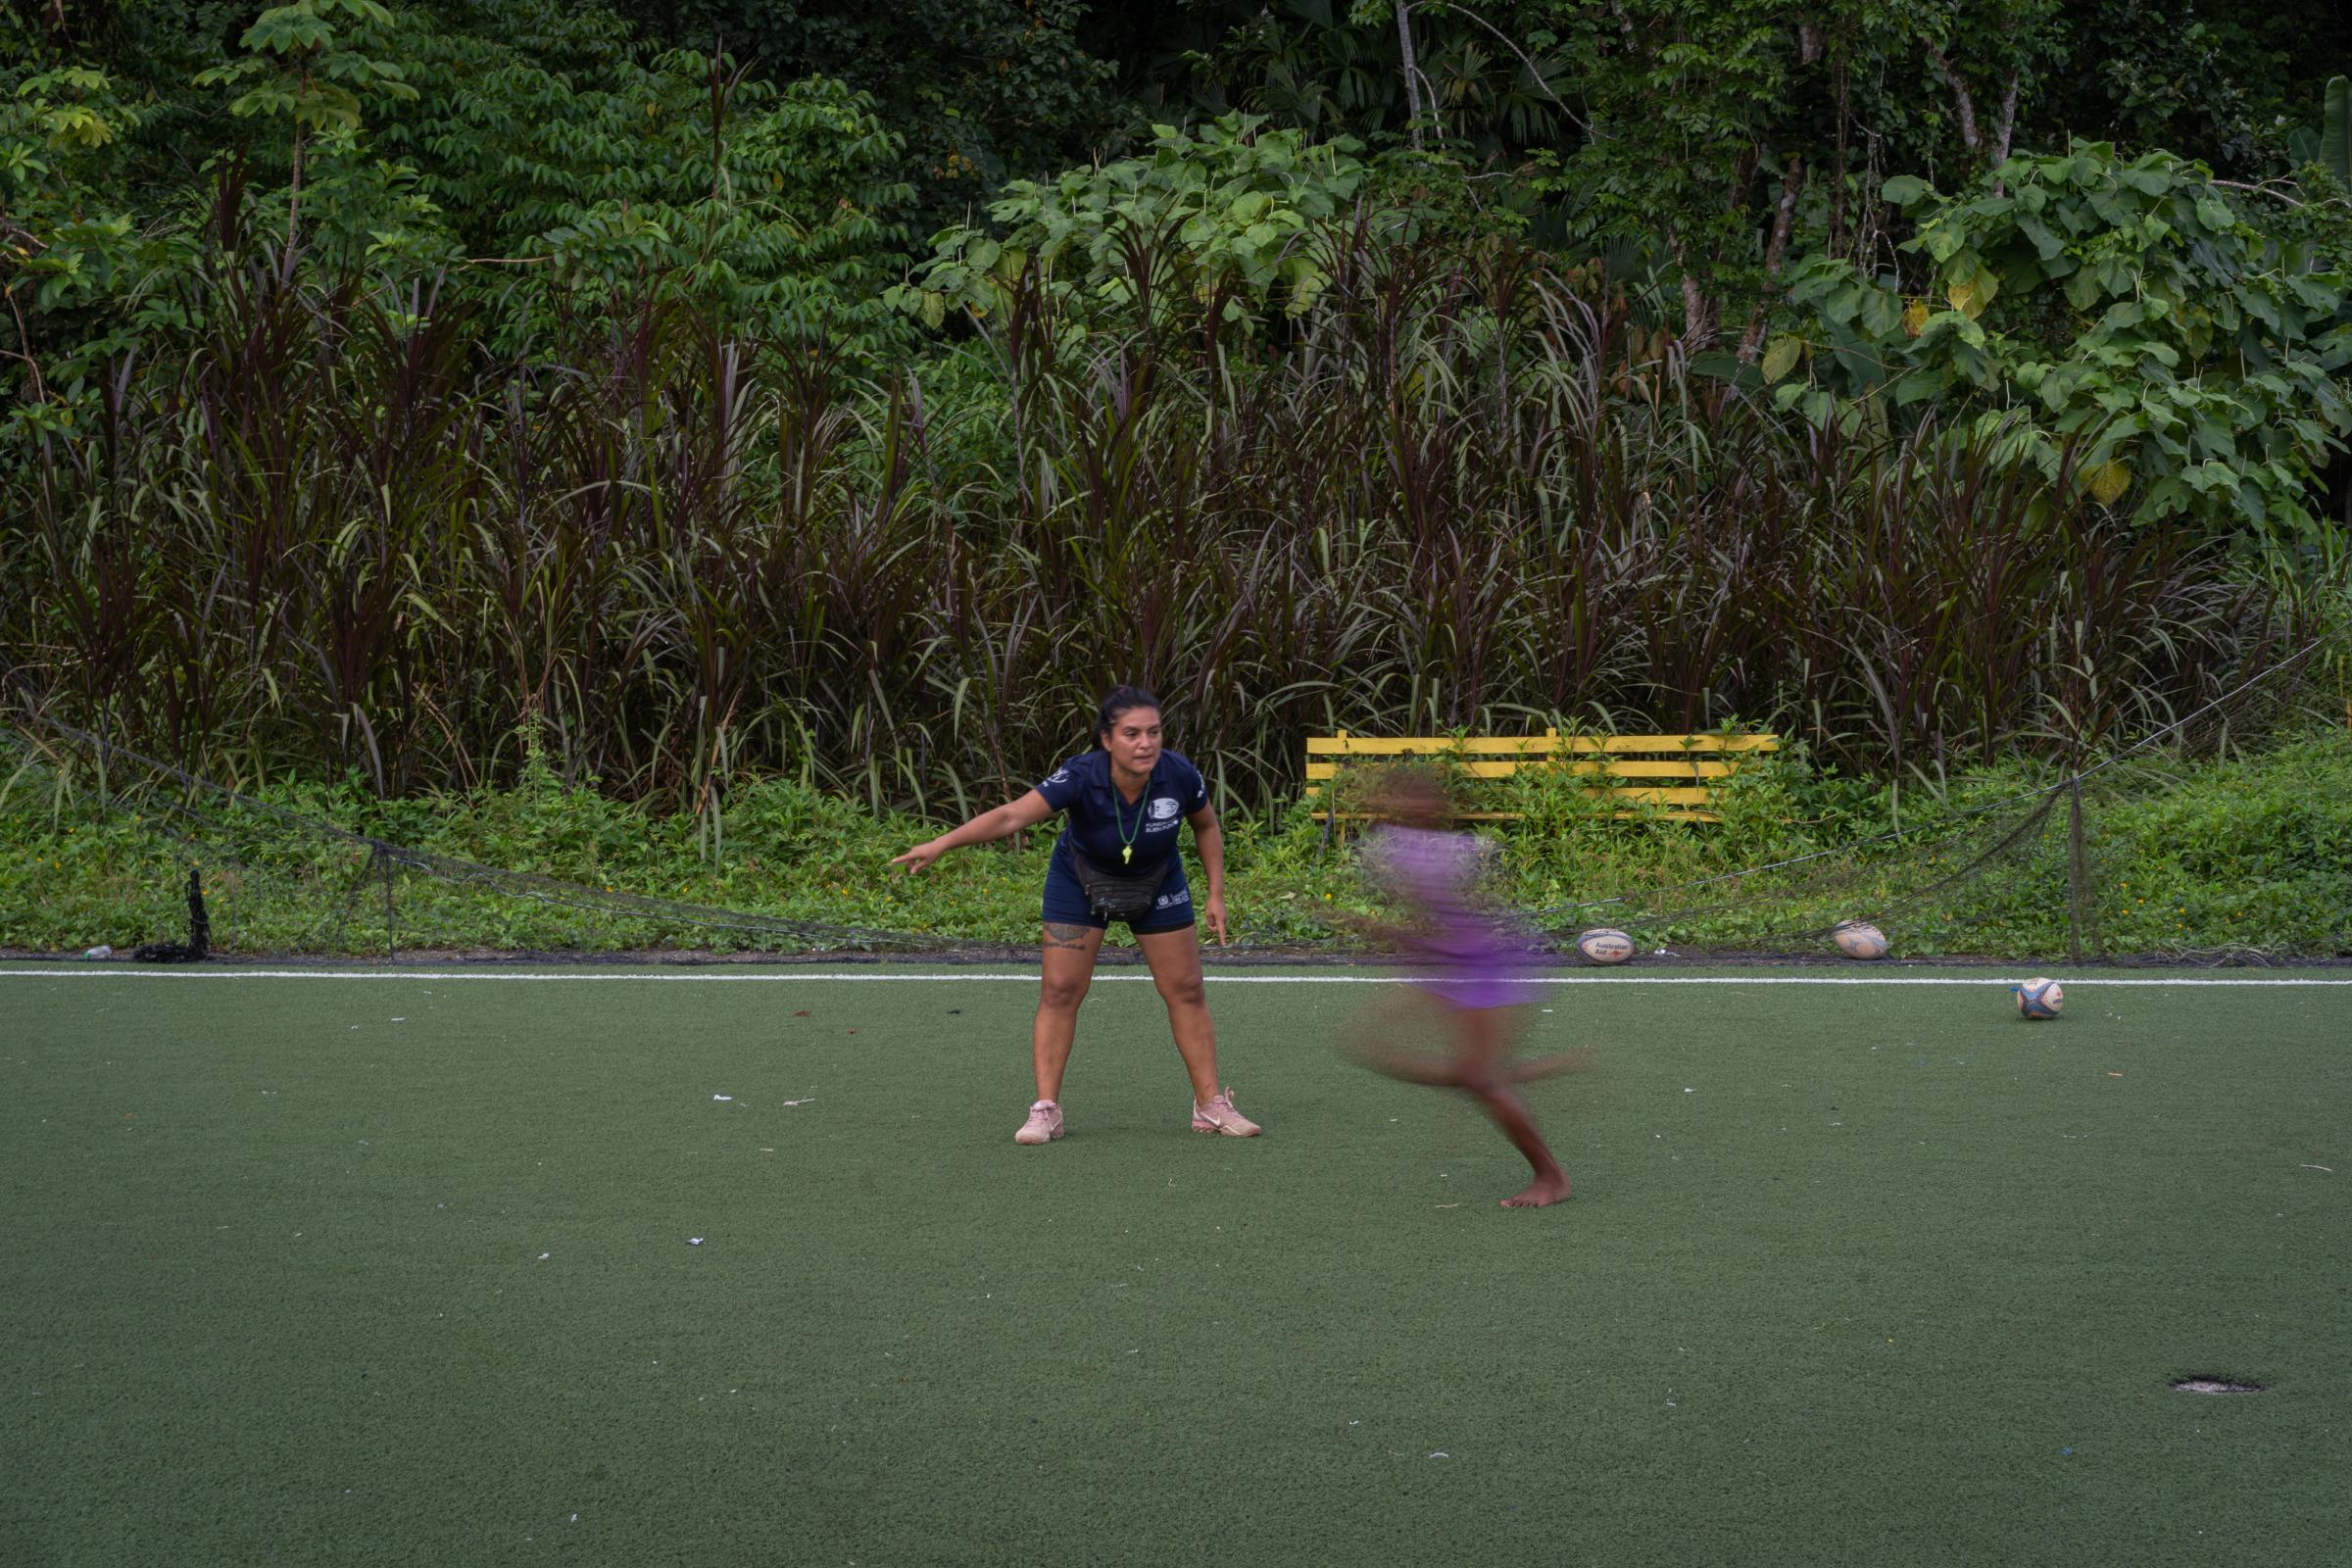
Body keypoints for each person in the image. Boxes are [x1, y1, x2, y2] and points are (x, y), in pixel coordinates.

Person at [891, 686, 1262, 1146]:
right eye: (1131, 734)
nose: (1145, 743)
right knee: (1061, 989)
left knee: (1186, 988)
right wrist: (941, 843)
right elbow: (1011, 817)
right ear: (1107, 739)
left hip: (1159, 881)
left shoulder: (1179, 774)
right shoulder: (1080, 776)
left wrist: (1216, 893)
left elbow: (1205, 825)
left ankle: (1210, 1106)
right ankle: (1046, 1110)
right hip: (1080, 882)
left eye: (1153, 732)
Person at [1344, 765, 1578, 1207]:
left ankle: (1551, 1177)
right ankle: (1532, 1069)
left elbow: (1470, 923)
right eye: (1405, 800)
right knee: (1386, 1051)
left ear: (1439, 808)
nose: (1413, 808)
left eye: (1422, 799)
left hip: (1484, 966)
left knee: (1479, 1079)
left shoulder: (1460, 853)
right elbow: (1432, 923)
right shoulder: (1396, 849)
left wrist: (1378, 931)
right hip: (1453, 966)